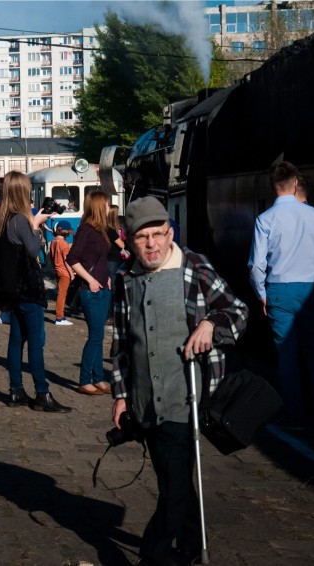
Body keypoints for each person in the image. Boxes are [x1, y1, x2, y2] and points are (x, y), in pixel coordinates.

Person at [110, 196, 248, 566]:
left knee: (172, 487)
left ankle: (153, 556)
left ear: (171, 233)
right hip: (144, 399)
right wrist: (121, 396)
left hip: (186, 396)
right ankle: (189, 544)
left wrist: (210, 324)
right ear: (129, 239)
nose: (153, 243)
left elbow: (236, 312)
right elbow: (121, 342)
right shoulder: (125, 279)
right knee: (175, 481)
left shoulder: (194, 267)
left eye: (159, 234)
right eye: (143, 237)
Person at [0, 171, 71, 413]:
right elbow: (34, 250)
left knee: (16, 340)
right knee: (36, 342)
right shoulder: (19, 220)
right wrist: (35, 225)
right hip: (26, 287)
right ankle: (42, 393)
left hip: (10, 288)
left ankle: (16, 390)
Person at [248, 162, 314, 425]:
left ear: (272, 186)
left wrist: (261, 295)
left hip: (279, 291)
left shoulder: (264, 220)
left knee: (287, 354)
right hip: (312, 289)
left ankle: (295, 412)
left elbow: (257, 265)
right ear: (296, 184)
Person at [67, 191, 114, 396]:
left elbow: (100, 258)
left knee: (99, 335)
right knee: (95, 336)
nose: (109, 207)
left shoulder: (101, 230)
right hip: (90, 290)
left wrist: (105, 277)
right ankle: (85, 380)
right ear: (97, 206)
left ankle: (98, 377)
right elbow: (73, 258)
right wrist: (91, 279)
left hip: (103, 288)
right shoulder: (86, 229)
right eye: (106, 204)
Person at [50, 220, 74, 326]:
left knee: (61, 293)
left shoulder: (54, 241)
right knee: (62, 294)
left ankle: (60, 316)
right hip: (64, 272)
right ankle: (59, 317)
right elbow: (67, 260)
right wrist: (72, 273)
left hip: (57, 269)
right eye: (68, 230)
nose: (69, 232)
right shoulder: (63, 244)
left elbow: (51, 257)